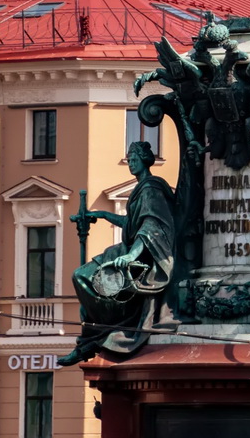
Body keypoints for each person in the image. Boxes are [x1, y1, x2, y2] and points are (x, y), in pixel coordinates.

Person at [58, 140, 176, 365]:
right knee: (81, 276)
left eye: (134, 159)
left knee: (82, 276)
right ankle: (96, 333)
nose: (131, 163)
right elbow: (130, 223)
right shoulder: (141, 189)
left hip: (142, 253)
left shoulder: (151, 189)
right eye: (129, 159)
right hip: (128, 249)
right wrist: (102, 215)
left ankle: (101, 332)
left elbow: (150, 227)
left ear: (144, 160)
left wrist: (132, 256)